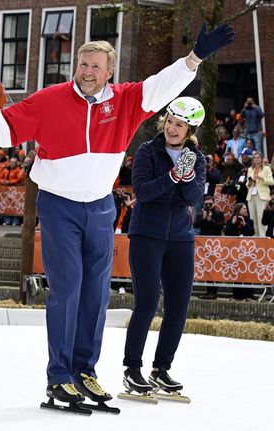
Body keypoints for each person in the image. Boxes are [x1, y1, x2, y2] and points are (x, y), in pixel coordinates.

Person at [0, 23, 234, 409]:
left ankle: (84, 371)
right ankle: (59, 377)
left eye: (96, 66)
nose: (88, 72)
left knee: (97, 293)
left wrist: (194, 58)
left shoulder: (125, 101)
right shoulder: (51, 99)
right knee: (68, 288)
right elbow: (6, 124)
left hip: (101, 207)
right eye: (83, 64)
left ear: (110, 72)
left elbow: (162, 86)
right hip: (59, 204)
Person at [121, 97, 206, 399]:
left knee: (178, 307)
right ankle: (132, 369)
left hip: (181, 237)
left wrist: (187, 178)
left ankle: (161, 368)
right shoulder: (147, 151)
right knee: (146, 302)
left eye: (179, 125)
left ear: (190, 129)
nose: (171, 128)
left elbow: (194, 199)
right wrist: (171, 176)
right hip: (147, 234)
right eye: (170, 121)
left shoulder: (196, 158)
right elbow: (142, 192)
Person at [245, 152, 273, 236]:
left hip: (262, 196)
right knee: (253, 217)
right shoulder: (250, 169)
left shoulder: (266, 169)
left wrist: (262, 178)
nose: (256, 159)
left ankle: (263, 236)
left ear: (261, 159)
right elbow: (247, 184)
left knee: (261, 216)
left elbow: (271, 182)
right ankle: (256, 236)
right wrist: (250, 182)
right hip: (251, 194)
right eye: (254, 158)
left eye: (258, 157)